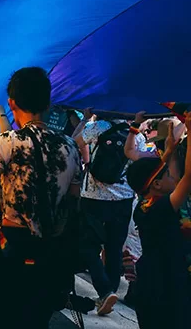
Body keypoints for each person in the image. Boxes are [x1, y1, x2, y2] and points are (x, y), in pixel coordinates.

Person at [0, 67, 83, 328]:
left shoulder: (4, 143)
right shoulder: (70, 147)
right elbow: (73, 201)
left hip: (13, 248)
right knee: (37, 321)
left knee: (4, 321)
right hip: (52, 249)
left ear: (12, 103)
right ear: (48, 104)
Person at [73, 109, 142, 315]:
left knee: (87, 245)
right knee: (114, 248)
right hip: (123, 198)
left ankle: (105, 291)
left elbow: (74, 143)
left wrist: (85, 119)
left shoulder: (98, 127)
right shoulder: (135, 134)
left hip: (93, 197)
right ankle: (109, 292)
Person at [124, 114, 190, 329]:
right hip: (164, 285)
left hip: (153, 281)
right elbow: (187, 177)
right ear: (158, 185)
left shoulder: (146, 204)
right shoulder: (159, 209)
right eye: (170, 175)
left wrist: (170, 151)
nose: (174, 178)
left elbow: (169, 176)